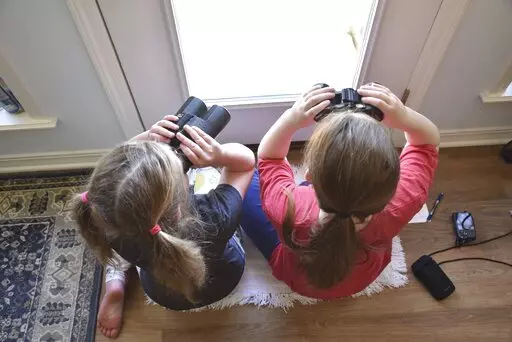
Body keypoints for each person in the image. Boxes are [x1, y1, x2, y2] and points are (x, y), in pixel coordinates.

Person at [241, 83, 440, 299]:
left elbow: (270, 158)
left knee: (246, 177)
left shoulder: (288, 206)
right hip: (362, 279)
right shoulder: (403, 200)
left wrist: (291, 119)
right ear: (393, 184)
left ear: (308, 176)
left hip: (297, 278)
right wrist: (403, 116)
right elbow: (427, 143)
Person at [74, 116, 255, 338]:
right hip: (223, 281)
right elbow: (244, 165)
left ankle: (115, 282)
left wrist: (146, 139)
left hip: (161, 293)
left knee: (122, 221)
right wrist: (218, 156)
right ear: (179, 207)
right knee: (211, 177)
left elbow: (116, 185)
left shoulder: (101, 217)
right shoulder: (214, 216)